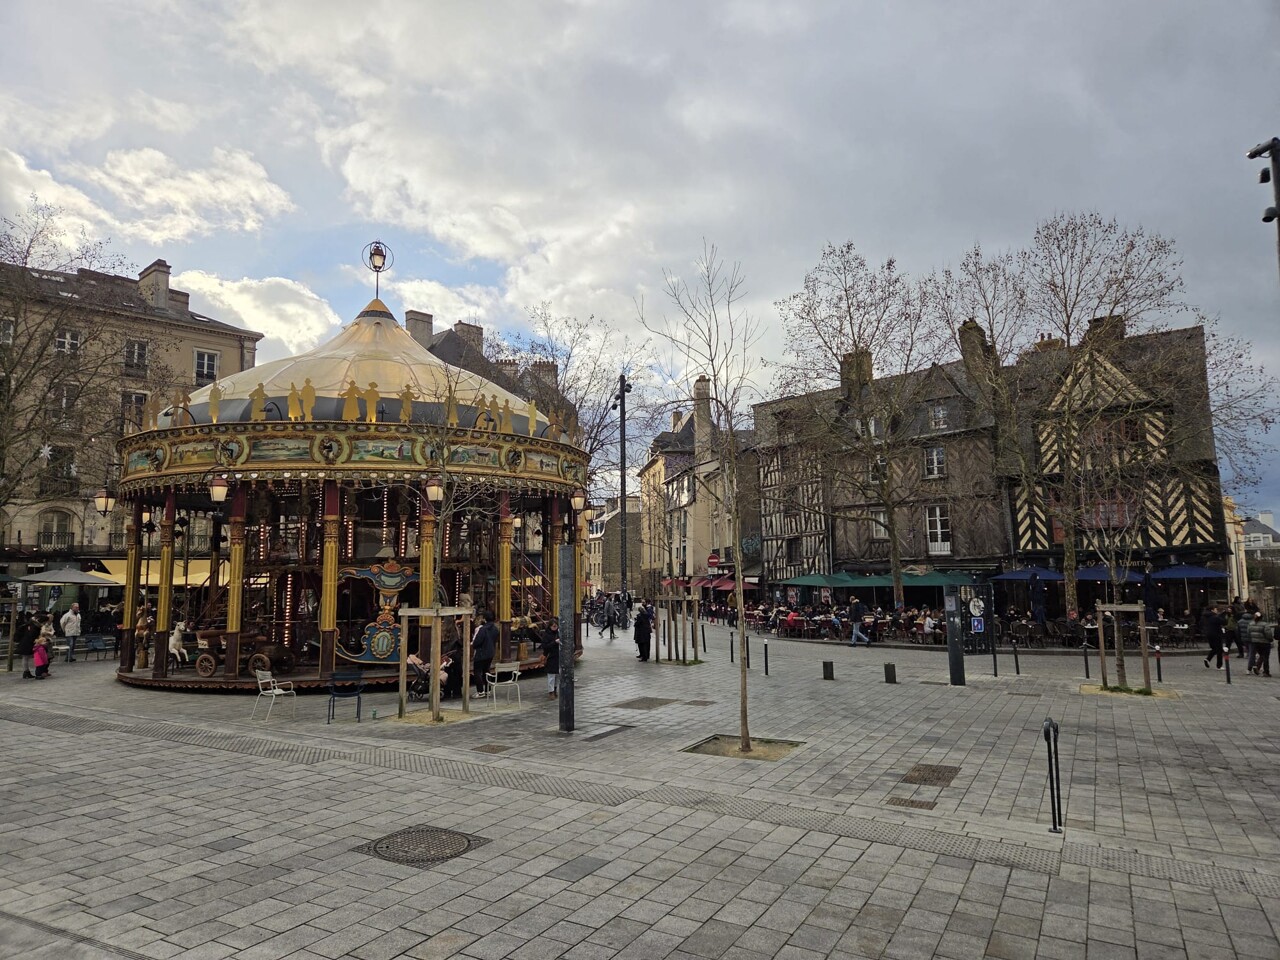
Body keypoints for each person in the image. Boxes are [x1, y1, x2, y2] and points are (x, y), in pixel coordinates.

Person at [472, 611, 498, 698]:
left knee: (477, 672)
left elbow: (477, 642)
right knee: (486, 671)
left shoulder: (483, 629)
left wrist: (474, 645)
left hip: (481, 652)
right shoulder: (495, 628)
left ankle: (480, 691)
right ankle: (488, 690)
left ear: (485, 618)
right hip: (490, 652)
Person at [1202, 605, 1226, 669]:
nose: (1217, 610)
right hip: (1216, 634)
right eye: (1215, 609)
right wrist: (1222, 615)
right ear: (1212, 610)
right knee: (1219, 650)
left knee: (1215, 648)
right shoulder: (1214, 617)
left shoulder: (1205, 617)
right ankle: (1219, 665)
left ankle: (1208, 659)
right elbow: (1223, 622)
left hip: (1208, 634)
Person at [542, 621, 561, 699]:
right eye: (553, 626)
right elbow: (545, 646)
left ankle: (555, 689)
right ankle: (551, 691)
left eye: (556, 626)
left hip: (558, 656)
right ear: (550, 626)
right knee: (551, 675)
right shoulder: (547, 635)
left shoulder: (559, 633)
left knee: (557, 675)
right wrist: (555, 642)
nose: (555, 628)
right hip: (551, 657)